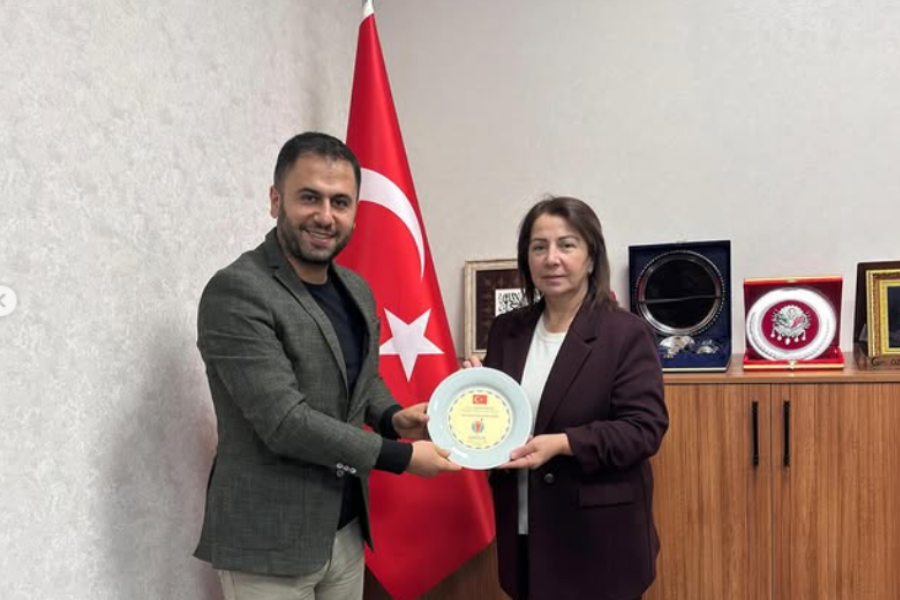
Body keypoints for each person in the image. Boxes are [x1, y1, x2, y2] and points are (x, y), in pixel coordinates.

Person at [194, 132, 460, 600]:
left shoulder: (355, 288)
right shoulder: (237, 291)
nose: (325, 216)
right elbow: (285, 423)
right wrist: (400, 457)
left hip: (345, 529)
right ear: (275, 199)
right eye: (309, 197)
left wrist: (392, 418)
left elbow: (363, 379)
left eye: (340, 202)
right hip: (268, 542)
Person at [466, 196, 669, 600]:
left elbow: (644, 429)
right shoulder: (507, 330)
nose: (551, 258)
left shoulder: (625, 333)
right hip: (524, 530)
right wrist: (476, 396)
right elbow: (506, 422)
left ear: (591, 258)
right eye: (539, 247)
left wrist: (563, 443)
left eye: (567, 245)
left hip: (598, 541)